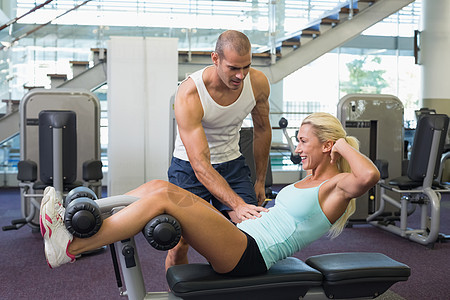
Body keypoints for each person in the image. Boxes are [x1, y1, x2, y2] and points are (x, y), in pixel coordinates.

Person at [41, 112, 380, 277]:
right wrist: (259, 211)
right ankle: (75, 220)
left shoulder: (336, 188)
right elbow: (287, 218)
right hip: (243, 236)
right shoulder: (305, 181)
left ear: (327, 145)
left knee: (164, 199)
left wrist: (342, 146)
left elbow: (369, 175)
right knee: (159, 187)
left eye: (304, 142)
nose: (298, 148)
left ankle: (73, 246)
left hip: (251, 255)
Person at [167, 30, 271, 268]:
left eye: (246, 67)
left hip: (232, 165)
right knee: (180, 242)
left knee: (250, 232)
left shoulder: (257, 83)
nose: (241, 76)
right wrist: (237, 204)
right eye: (233, 68)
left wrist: (260, 181)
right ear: (215, 59)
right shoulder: (190, 92)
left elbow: (263, 130)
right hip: (190, 170)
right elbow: (200, 165)